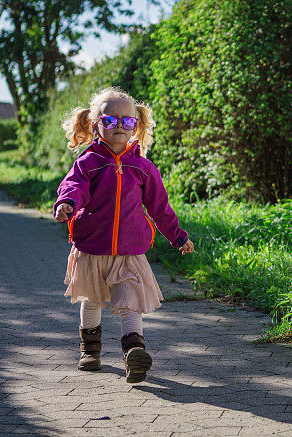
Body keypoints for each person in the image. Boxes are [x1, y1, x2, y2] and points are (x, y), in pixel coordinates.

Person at [53, 87, 194, 383]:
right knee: (91, 301)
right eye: (110, 120)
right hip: (92, 248)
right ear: (95, 125)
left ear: (136, 127)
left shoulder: (143, 167)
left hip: (129, 251)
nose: (119, 126)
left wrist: (177, 236)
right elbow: (73, 187)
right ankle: (90, 351)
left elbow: (160, 207)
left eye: (127, 122)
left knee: (129, 302)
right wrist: (67, 204)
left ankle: (134, 353)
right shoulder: (87, 163)